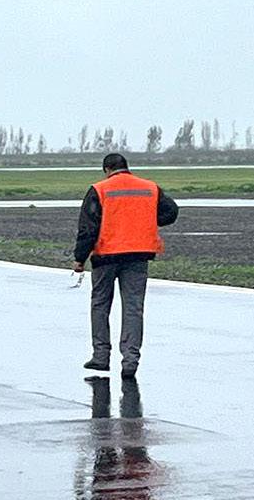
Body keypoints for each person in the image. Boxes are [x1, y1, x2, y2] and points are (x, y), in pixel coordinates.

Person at [72, 150, 179, 378]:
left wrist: (80, 258)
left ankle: (101, 356)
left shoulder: (99, 190)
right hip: (138, 255)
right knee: (133, 308)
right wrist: (146, 218)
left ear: (107, 170)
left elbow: (88, 228)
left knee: (100, 305)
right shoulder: (149, 187)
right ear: (126, 167)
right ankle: (130, 361)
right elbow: (171, 212)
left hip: (106, 256)